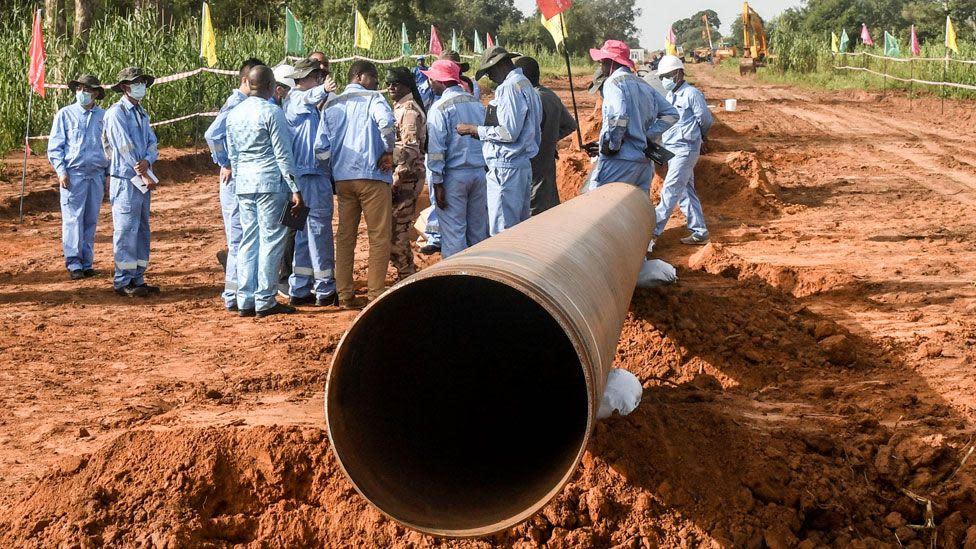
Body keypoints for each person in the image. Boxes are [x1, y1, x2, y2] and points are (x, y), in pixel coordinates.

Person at [226, 65, 304, 319]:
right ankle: (265, 299)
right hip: (270, 182)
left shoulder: (234, 114)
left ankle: (245, 298)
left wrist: (238, 180)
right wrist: (295, 188)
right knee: (271, 239)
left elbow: (233, 155)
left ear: (249, 83)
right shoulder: (273, 112)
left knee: (249, 239)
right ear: (271, 86)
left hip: (245, 184)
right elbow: (283, 154)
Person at [317, 60, 396, 309]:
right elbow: (386, 124)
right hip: (373, 176)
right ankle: (374, 295)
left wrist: (332, 171)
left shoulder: (332, 104)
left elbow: (321, 148)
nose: (376, 83)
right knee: (379, 237)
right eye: (373, 78)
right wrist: (388, 151)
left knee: (345, 237)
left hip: (343, 180)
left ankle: (345, 295)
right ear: (360, 77)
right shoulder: (374, 99)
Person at [457, 46, 542, 236]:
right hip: (518, 165)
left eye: (489, 72)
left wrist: (474, 130)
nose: (490, 77)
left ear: (499, 66)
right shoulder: (525, 84)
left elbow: (508, 132)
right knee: (518, 230)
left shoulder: (509, 88)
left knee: (503, 232)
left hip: (506, 168)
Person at [204, 57, 265, 312]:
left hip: (245, 178)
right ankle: (233, 294)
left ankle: (239, 291)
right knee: (240, 237)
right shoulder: (236, 103)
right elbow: (212, 134)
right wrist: (225, 161)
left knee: (246, 236)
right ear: (244, 80)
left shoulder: (249, 103)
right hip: (235, 179)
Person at [585, 40, 677, 194]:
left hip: (619, 162)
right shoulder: (643, 84)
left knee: (600, 207)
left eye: (603, 62)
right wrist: (647, 136)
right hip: (643, 164)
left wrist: (613, 145)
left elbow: (619, 116)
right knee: (635, 212)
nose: (602, 67)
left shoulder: (613, 83)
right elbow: (672, 114)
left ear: (611, 62)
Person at [283, 59, 339, 306]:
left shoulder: (304, 103)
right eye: (317, 77)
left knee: (305, 233)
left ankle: (300, 287)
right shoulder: (297, 98)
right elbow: (308, 98)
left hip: (304, 175)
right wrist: (324, 90)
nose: (320, 80)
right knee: (319, 232)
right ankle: (325, 289)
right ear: (307, 78)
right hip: (312, 176)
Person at [103, 67, 160, 298]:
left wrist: (148, 160)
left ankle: (138, 276)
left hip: (142, 179)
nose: (141, 87)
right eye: (136, 83)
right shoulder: (116, 113)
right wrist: (142, 170)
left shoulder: (141, 112)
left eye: (142, 82)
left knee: (141, 229)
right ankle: (123, 280)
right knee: (126, 230)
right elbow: (124, 147)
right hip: (126, 180)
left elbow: (152, 141)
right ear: (125, 87)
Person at [47, 74, 110, 281]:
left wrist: (108, 175)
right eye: (80, 89)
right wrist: (61, 171)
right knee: (73, 219)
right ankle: (74, 262)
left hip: (96, 175)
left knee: (90, 219)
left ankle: (87, 262)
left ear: (95, 94)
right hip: (73, 175)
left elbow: (110, 147)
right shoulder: (65, 115)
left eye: (88, 90)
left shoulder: (104, 116)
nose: (83, 93)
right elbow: (55, 147)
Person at [423, 60, 488, 258]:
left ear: (441, 81)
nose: (430, 83)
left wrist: (437, 183)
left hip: (453, 177)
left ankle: (456, 282)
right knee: (478, 232)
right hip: (479, 173)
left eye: (432, 79)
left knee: (453, 235)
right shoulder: (476, 103)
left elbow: (436, 150)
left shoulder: (439, 108)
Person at [653, 55, 713, 247]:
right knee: (685, 191)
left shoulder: (692, 94)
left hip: (686, 147)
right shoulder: (670, 96)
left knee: (670, 189)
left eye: (668, 75)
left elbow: (705, 119)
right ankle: (700, 231)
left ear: (679, 73)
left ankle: (652, 231)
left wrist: (700, 137)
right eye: (662, 77)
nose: (664, 80)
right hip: (672, 147)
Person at [514, 57, 577, 215]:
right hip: (546, 165)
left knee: (532, 212)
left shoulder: (531, 99)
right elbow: (570, 125)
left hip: (531, 165)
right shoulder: (550, 96)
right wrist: (550, 139)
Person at [385, 67, 427, 280]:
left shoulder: (409, 111)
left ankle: (406, 273)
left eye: (395, 84)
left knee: (397, 229)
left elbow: (410, 149)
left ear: (406, 85)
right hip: (404, 176)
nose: (391, 87)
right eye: (389, 83)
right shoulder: (399, 107)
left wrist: (395, 179)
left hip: (406, 178)